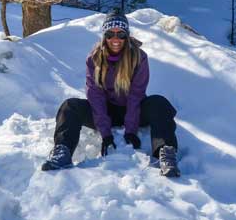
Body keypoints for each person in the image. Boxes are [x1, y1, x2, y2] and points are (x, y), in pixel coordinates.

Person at [41, 11, 181, 177]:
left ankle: (165, 154)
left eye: (121, 34)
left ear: (126, 36)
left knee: (159, 103)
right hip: (105, 111)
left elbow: (136, 95)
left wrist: (131, 130)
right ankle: (62, 152)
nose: (115, 39)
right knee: (70, 106)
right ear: (104, 36)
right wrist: (105, 133)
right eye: (110, 34)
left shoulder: (139, 57)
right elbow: (95, 96)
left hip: (133, 109)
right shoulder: (94, 59)